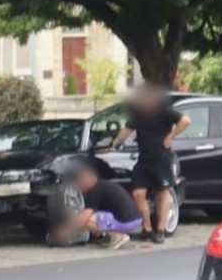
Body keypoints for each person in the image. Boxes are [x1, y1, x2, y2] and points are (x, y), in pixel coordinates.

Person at [111, 84, 190, 244]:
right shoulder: (138, 114)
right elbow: (126, 131)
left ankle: (160, 230)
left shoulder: (164, 111)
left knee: (162, 193)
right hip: (144, 159)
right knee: (138, 194)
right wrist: (115, 142)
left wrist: (171, 137)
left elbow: (185, 120)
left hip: (162, 158)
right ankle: (147, 229)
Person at [47, 163, 136, 250]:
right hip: (133, 219)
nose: (79, 187)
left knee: (85, 220)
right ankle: (110, 235)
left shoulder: (96, 190)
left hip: (126, 221)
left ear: (84, 180)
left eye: (79, 183)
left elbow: (85, 216)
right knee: (94, 217)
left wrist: (67, 230)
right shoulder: (103, 185)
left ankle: (118, 235)